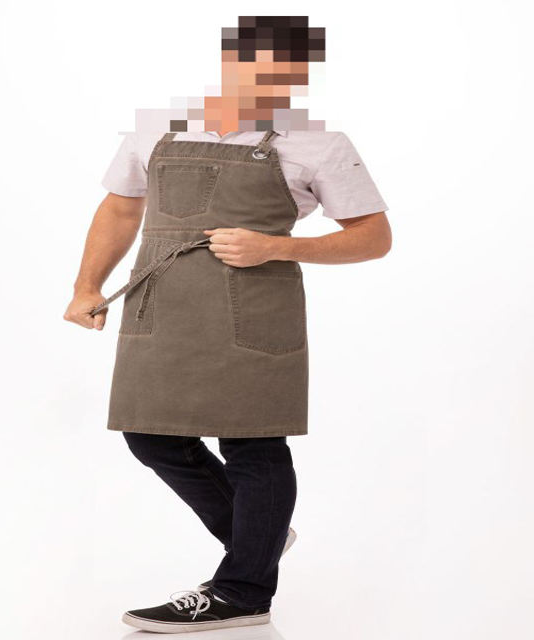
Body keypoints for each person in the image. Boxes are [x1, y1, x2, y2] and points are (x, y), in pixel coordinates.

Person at [64, 15, 391, 634]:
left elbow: (373, 237)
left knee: (252, 444)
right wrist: (86, 286)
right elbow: (120, 208)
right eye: (255, 61)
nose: (268, 77)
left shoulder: (318, 142)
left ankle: (244, 590)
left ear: (300, 74)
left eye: (286, 68)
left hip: (255, 307)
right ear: (229, 58)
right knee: (150, 436)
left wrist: (277, 247)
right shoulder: (155, 127)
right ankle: (259, 536)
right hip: (160, 304)